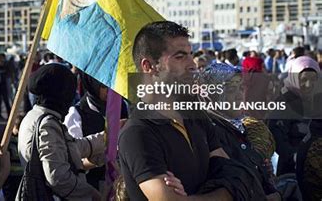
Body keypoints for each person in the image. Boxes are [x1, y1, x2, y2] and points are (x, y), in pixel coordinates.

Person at [118, 21, 234, 201]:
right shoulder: (138, 132)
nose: (193, 65)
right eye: (180, 57)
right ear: (149, 66)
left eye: (190, 55)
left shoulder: (195, 116)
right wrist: (226, 193)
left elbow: (234, 175)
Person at [17, 63, 106, 200]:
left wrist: (107, 138)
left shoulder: (38, 116)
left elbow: (70, 148)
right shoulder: (47, 124)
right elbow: (58, 177)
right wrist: (91, 194)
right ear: (60, 93)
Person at [199, 63, 278, 199]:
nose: (239, 96)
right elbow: (232, 186)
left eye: (241, 88)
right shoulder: (211, 133)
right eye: (230, 90)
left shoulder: (239, 126)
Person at [64, 72, 128, 190]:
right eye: (104, 86)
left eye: (113, 84)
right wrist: (106, 156)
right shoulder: (77, 114)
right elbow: (74, 162)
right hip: (94, 188)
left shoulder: (123, 106)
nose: (110, 90)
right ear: (92, 85)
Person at [268, 56, 321, 176]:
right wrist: (299, 157)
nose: (309, 84)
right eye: (304, 79)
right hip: (292, 170)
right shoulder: (283, 103)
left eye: (313, 79)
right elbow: (277, 140)